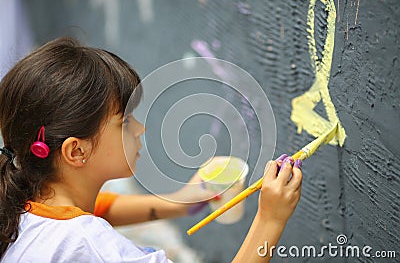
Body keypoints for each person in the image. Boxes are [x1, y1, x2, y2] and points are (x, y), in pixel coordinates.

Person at [0, 37, 302, 263]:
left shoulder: (23, 207)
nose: (140, 129)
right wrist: (270, 219)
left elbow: (99, 209)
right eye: (126, 122)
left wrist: (181, 202)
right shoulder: (92, 246)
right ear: (76, 152)